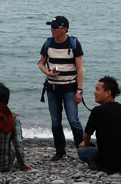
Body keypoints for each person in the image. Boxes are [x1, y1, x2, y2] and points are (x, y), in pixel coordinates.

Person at [38, 16, 84, 161]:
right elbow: (41, 63)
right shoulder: (48, 43)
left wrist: (79, 91)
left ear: (64, 29)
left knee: (73, 120)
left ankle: (82, 148)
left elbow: (79, 68)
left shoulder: (74, 43)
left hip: (70, 88)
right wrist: (48, 73)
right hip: (52, 89)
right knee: (56, 122)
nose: (52, 29)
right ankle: (60, 150)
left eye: (55, 27)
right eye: (51, 26)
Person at [77, 76, 121, 173]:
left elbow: (86, 135)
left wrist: (85, 143)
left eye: (97, 89)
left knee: (82, 151)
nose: (94, 92)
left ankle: (99, 166)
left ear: (108, 93)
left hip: (108, 165)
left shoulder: (97, 110)